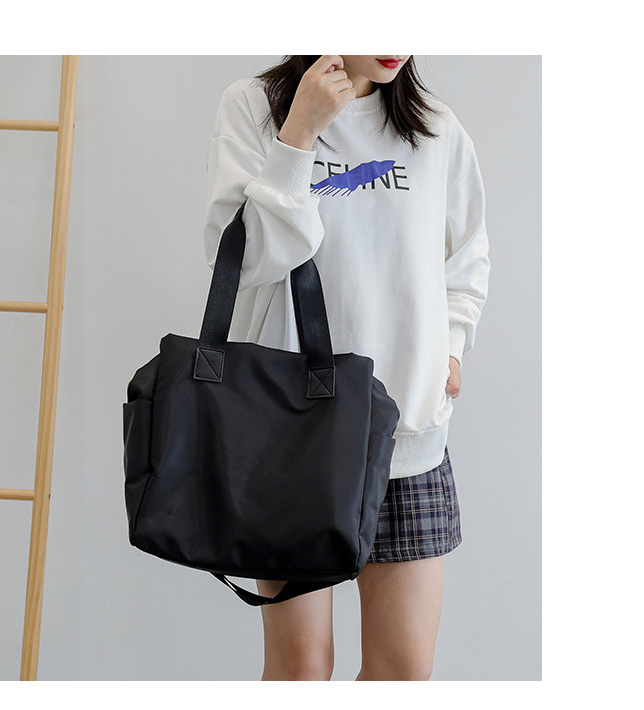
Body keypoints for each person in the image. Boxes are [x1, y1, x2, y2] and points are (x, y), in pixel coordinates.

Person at [202, 55, 490, 681]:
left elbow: (466, 253)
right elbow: (244, 259)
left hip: (406, 433)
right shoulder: (254, 107)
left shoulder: (435, 127)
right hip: (291, 433)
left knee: (403, 671)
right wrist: (299, 134)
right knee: (302, 668)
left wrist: (451, 344)